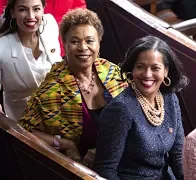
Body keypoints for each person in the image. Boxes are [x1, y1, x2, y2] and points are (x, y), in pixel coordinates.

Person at [18, 8, 127, 168]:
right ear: (65, 44)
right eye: (75, 41)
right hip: (83, 169)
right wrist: (65, 144)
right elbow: (25, 131)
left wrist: (105, 148)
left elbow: (135, 113)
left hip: (125, 157)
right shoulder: (52, 89)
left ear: (99, 41)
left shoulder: (111, 72)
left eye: (90, 41)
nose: (83, 47)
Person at [94, 36, 188, 180]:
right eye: (140, 67)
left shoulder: (170, 98)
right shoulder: (120, 109)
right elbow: (105, 169)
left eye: (155, 68)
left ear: (166, 71)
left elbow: (178, 156)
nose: (147, 74)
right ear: (132, 69)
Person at [0, 0, 61, 121]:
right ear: (12, 12)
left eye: (36, 9)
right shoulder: (2, 47)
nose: (31, 16)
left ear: (43, 9)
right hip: (22, 122)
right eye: (23, 9)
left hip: (59, 114)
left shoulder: (50, 24)